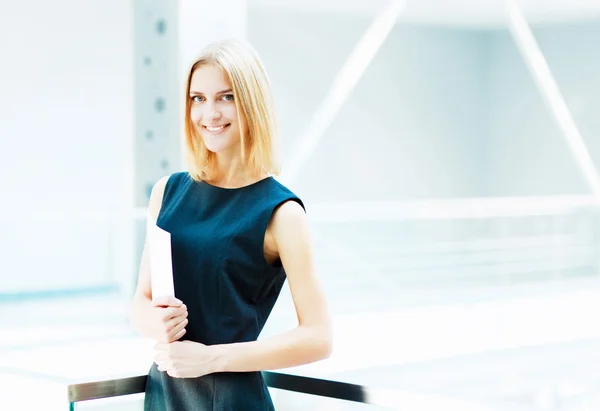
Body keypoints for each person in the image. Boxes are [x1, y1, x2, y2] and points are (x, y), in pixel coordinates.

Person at [129, 38, 332, 411]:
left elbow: (319, 337)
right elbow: (140, 302)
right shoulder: (167, 192)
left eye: (226, 97)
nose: (210, 113)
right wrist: (156, 325)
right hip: (165, 395)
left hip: (232, 401)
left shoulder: (281, 212)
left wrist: (211, 358)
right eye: (198, 98)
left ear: (251, 103)